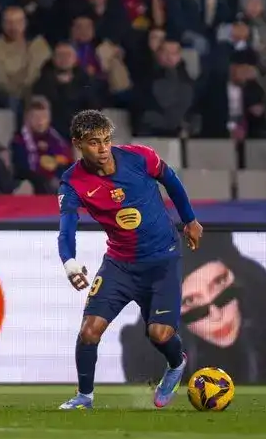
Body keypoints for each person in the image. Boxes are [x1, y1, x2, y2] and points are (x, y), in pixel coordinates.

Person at [58, 109, 202, 410]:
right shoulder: (72, 182)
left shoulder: (140, 157)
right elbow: (67, 226)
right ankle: (84, 397)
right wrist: (70, 263)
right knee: (88, 332)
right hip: (119, 265)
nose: (103, 148)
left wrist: (189, 219)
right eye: (94, 142)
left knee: (159, 334)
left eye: (106, 140)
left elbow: (171, 181)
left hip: (162, 261)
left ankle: (176, 363)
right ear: (78, 144)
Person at [119, 235, 266, 384]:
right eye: (190, 301)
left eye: (220, 284)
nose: (216, 315)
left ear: (236, 277)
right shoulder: (149, 349)